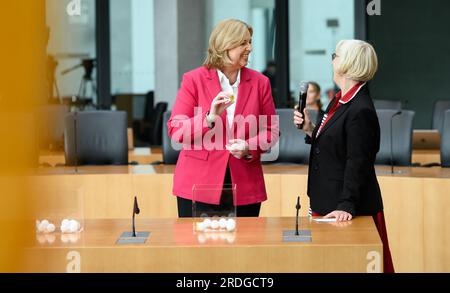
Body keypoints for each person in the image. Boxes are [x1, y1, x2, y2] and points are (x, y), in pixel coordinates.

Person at [293, 39, 394, 273]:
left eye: (335, 55)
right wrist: (310, 128)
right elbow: (335, 145)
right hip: (328, 203)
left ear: (347, 64)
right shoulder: (340, 100)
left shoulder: (361, 109)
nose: (332, 60)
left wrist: (346, 205)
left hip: (345, 210)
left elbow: (358, 161)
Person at [167, 19, 278, 218]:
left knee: (243, 248)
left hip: (244, 183)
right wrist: (210, 117)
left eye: (250, 42)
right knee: (198, 248)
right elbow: (176, 130)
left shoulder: (261, 82)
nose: (250, 48)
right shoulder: (194, 80)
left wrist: (248, 146)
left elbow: (271, 131)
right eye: (243, 42)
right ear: (225, 44)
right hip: (197, 183)